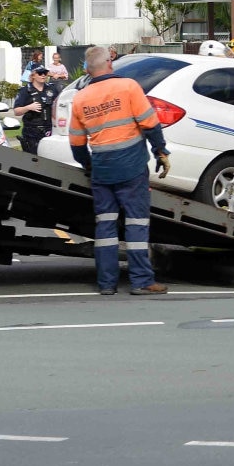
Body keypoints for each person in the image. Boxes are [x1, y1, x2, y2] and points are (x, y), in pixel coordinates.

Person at [69, 46, 172, 295]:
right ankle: (141, 281)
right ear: (110, 63)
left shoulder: (81, 98)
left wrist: (89, 165)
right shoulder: (128, 87)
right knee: (136, 224)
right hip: (132, 168)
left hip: (102, 171)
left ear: (87, 70)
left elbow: (77, 144)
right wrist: (161, 151)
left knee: (105, 227)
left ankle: (106, 284)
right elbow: (150, 124)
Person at [12, 65, 57, 154]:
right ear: (33, 75)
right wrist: (28, 107)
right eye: (40, 73)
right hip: (32, 132)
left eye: (45, 73)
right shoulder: (25, 91)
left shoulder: (52, 89)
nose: (43, 75)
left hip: (49, 130)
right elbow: (16, 111)